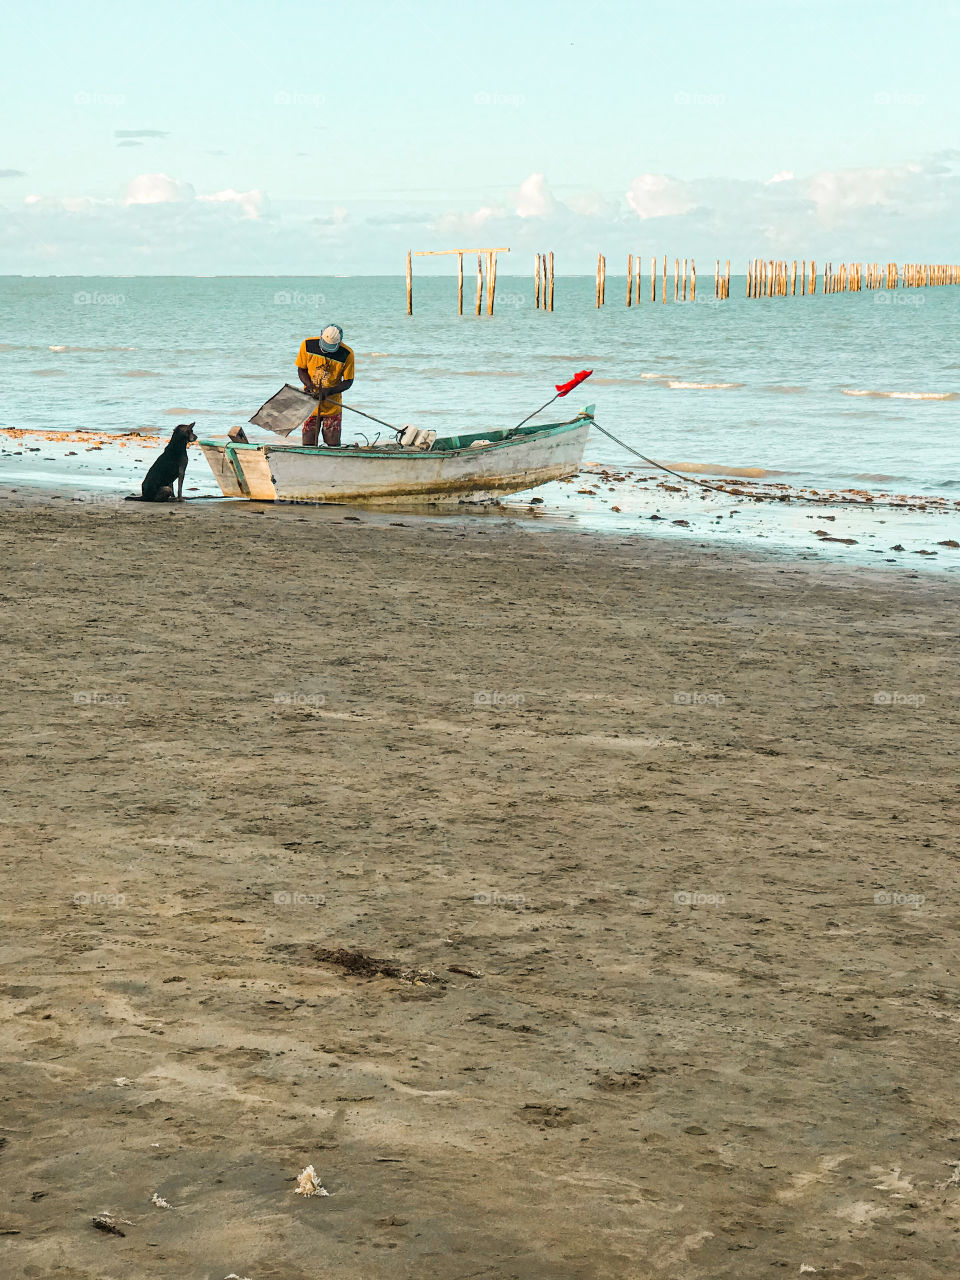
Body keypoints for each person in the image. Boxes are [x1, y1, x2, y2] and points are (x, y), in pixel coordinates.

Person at [296, 324, 354, 447]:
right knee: (308, 443)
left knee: (333, 443)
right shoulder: (307, 345)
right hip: (310, 404)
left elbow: (348, 381)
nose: (326, 351)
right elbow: (301, 369)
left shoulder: (347, 354)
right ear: (321, 335)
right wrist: (309, 385)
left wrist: (329, 391)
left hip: (332, 405)